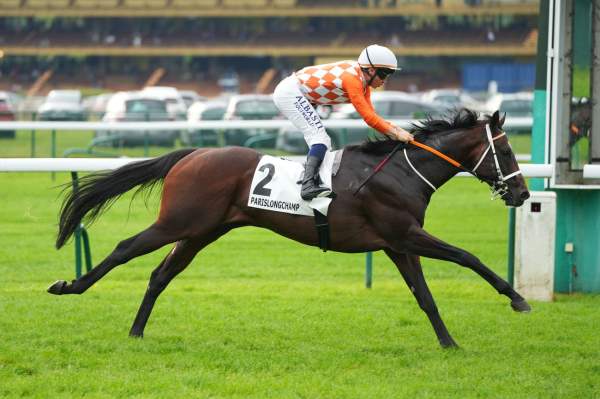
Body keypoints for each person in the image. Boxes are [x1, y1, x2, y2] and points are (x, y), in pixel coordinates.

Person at [273, 44, 414, 201]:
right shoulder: (352, 79)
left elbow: (372, 115)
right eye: (384, 74)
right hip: (290, 93)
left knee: (323, 142)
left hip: (297, 92)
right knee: (320, 139)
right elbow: (369, 118)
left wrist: (397, 129)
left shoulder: (363, 83)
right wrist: (396, 134)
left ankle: (311, 180)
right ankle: (307, 185)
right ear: (371, 70)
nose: (385, 79)